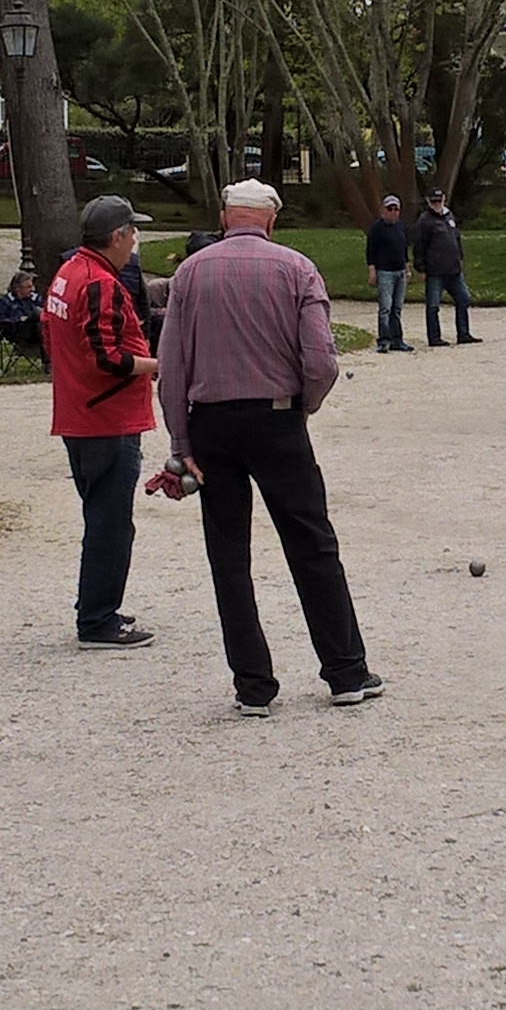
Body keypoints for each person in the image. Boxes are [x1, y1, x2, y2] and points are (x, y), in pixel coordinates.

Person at [155, 179, 382, 715]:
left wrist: (180, 440)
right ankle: (346, 671)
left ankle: (253, 686)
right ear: (271, 221)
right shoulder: (297, 269)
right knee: (312, 544)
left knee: (229, 556)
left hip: (211, 425)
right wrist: (304, 405)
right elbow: (322, 360)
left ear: (224, 216)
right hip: (277, 419)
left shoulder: (189, 273)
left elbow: (171, 369)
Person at [48, 194, 159, 650]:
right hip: (106, 417)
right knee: (111, 522)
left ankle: (96, 606)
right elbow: (108, 358)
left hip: (81, 412)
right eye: (132, 232)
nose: (135, 241)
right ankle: (97, 620)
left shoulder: (68, 272)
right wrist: (158, 365)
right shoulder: (99, 282)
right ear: (116, 237)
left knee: (102, 517)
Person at [412, 186, 479, 347]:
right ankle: (434, 338)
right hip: (435, 271)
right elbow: (419, 246)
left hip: (453, 269)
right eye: (433, 201)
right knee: (433, 305)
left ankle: (463, 333)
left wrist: (460, 258)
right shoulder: (424, 221)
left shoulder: (449, 216)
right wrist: (421, 268)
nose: (437, 203)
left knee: (463, 299)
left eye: (439, 200)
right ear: (428, 201)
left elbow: (456, 238)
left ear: (444, 199)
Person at [364, 194, 413, 352]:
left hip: (399, 271)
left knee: (397, 308)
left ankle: (397, 339)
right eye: (389, 209)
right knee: (385, 307)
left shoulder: (400, 227)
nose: (393, 212)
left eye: (395, 209)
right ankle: (383, 340)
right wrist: (372, 270)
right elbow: (371, 251)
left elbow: (403, 249)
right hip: (385, 271)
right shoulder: (377, 228)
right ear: (383, 210)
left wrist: (407, 268)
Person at [0, 270, 48, 367]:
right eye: (28, 287)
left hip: (37, 330)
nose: (32, 289)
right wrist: (19, 320)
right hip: (17, 332)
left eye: (32, 286)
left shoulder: (36, 299)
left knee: (41, 317)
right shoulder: (5, 302)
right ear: (18, 289)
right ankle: (48, 362)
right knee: (38, 317)